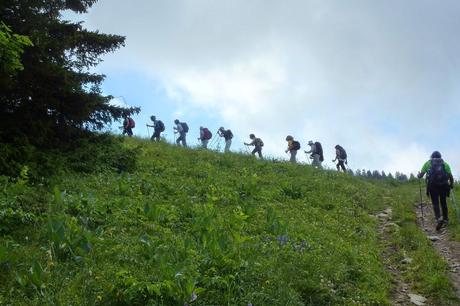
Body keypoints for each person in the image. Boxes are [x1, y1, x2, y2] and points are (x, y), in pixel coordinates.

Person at [418, 151, 455, 231]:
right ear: (440, 156)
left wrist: (419, 175)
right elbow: (450, 176)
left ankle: (438, 218)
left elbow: (421, 175)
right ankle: (445, 219)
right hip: (443, 186)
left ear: (431, 156)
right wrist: (451, 185)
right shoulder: (445, 164)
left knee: (435, 203)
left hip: (432, 186)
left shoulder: (428, 163)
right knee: (443, 202)